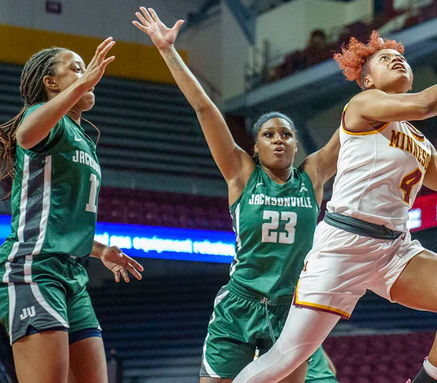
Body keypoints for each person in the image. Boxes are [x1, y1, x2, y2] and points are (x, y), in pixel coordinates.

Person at [232, 31, 437, 383]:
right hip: (343, 243)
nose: (396, 59)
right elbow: (426, 104)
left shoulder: (418, 141)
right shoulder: (362, 106)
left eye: (401, 58)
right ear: (367, 81)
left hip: (394, 249)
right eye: (384, 59)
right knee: (286, 359)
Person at [132, 8, 340, 383]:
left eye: (287, 134)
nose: (279, 139)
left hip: (291, 310)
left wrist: (378, 88)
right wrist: (168, 51)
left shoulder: (313, 174)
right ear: (255, 147)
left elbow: (354, 123)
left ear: (296, 144)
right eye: (269, 134)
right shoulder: (242, 173)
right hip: (240, 304)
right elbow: (204, 107)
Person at [0, 39, 144, 383]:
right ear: (51, 83)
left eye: (86, 70)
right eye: (76, 69)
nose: (89, 75)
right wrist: (84, 82)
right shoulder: (45, 119)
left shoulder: (84, 140)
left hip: (70, 274)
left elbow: (57, 216)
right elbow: (26, 134)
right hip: (31, 268)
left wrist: (99, 250)